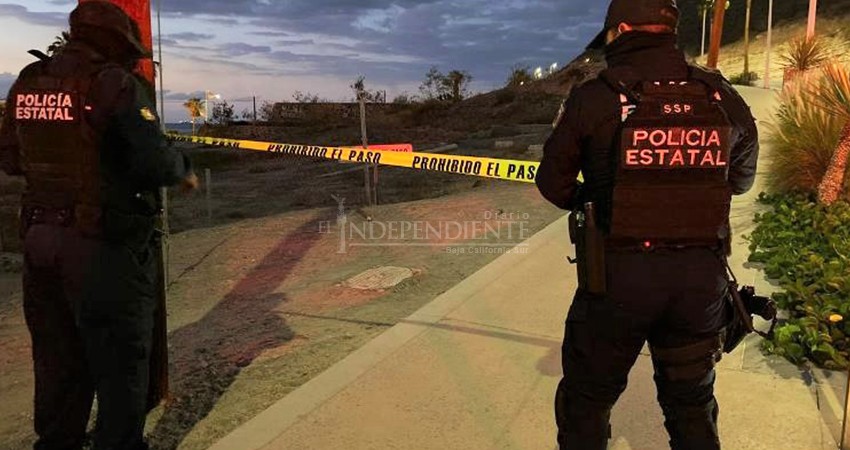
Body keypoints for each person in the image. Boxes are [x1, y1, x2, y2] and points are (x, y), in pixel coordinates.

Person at [535, 1, 759, 449]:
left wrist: (597, 199)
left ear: (619, 32)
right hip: (700, 282)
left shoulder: (594, 96)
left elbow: (552, 183)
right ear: (669, 29)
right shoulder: (719, 94)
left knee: (587, 402)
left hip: (616, 282)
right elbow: (741, 179)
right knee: (692, 405)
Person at [0, 2, 197, 449]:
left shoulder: (30, 82)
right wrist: (183, 168)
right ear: (115, 43)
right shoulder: (114, 84)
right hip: (103, 245)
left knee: (57, 361)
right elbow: (153, 159)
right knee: (121, 363)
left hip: (39, 241)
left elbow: (10, 157)